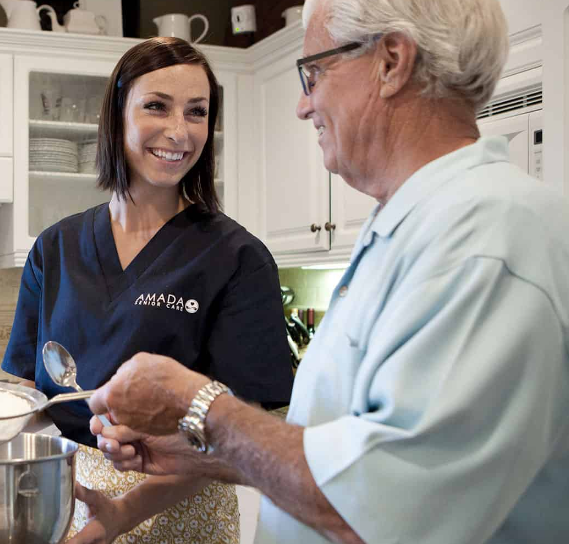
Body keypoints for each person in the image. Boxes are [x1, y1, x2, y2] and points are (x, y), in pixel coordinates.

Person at [86, 0, 569, 543]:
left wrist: (196, 403)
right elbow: (343, 452)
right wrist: (202, 450)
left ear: (391, 62)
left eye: (313, 73)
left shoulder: (488, 240)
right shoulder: (411, 226)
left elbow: (385, 506)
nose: (302, 105)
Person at [1, 37, 294, 544]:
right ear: (116, 114)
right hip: (66, 497)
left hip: (181, 507)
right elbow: (19, 391)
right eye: (157, 106)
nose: (179, 132)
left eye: (197, 112)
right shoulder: (56, 247)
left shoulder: (238, 259)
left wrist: (118, 514)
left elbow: (243, 432)